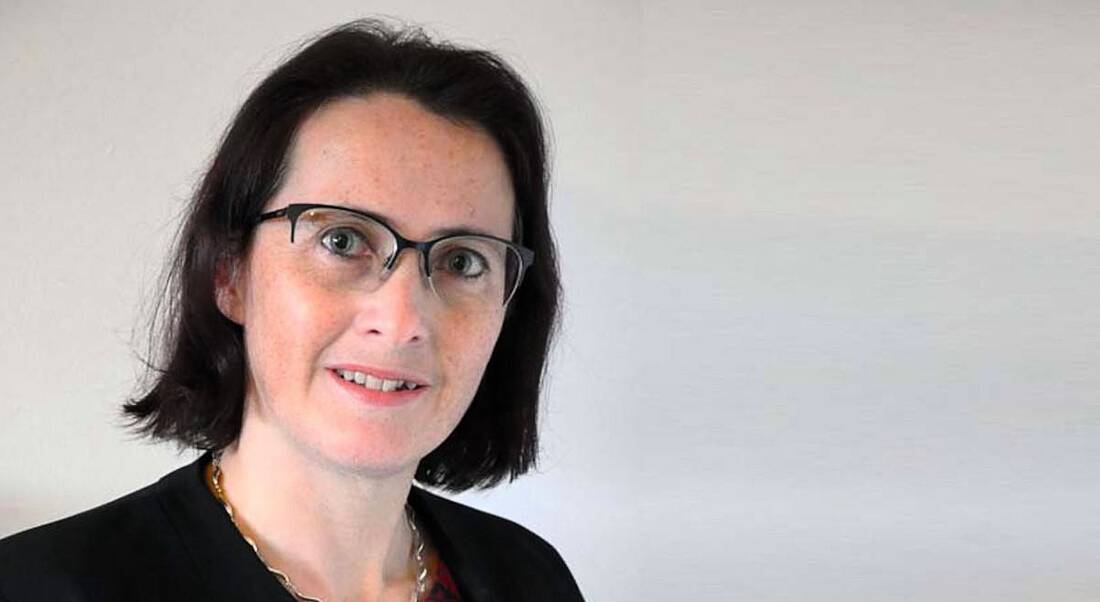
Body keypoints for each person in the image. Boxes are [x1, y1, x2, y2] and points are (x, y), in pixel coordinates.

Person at [0, 19, 583, 602]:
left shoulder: (532, 578)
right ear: (229, 273)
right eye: (342, 241)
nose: (403, 320)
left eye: (462, 262)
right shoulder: (37, 586)